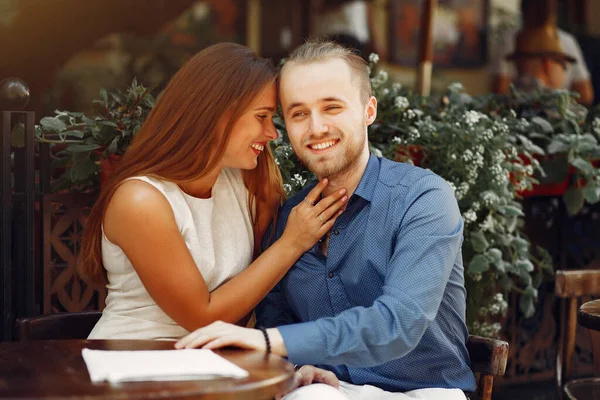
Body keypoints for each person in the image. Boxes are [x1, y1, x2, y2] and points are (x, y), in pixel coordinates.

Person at [176, 40, 476, 400]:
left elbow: (399, 324)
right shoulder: (290, 216)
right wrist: (299, 365)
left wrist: (270, 342)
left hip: (424, 392)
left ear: (369, 110)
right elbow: (276, 312)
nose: (316, 128)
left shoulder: (423, 198)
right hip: (328, 389)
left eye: (331, 107)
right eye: (299, 113)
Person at [78, 43, 348, 340]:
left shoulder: (243, 185)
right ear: (217, 113)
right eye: (262, 116)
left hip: (217, 361)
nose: (272, 133)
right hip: (136, 363)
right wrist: (291, 243)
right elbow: (202, 318)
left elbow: (268, 294)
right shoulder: (141, 201)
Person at [491, 0, 593, 105]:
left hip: (558, 116)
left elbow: (585, 94)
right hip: (524, 117)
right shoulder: (511, 40)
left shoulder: (567, 41)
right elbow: (500, 94)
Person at [506, 25, 574, 92]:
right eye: (564, 66)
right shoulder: (554, 99)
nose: (564, 73)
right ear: (547, 64)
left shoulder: (511, 94)